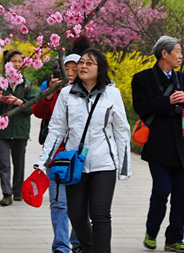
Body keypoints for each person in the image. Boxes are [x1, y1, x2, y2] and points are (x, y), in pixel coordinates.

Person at [37, 48, 131, 253]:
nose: (83, 66)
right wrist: (43, 161)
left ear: (100, 68)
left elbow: (122, 130)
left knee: (100, 215)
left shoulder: (112, 94)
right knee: (76, 215)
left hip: (103, 164)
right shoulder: (66, 94)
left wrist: (124, 167)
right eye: (82, 62)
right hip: (74, 165)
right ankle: (89, 247)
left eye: (89, 63)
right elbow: (56, 129)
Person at [131, 35, 184, 252]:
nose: (181, 55)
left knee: (182, 196)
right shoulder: (142, 79)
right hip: (159, 146)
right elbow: (141, 107)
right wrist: (167, 101)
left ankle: (174, 238)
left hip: (183, 145)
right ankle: (151, 232)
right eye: (177, 51)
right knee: (162, 190)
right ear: (164, 54)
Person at [33, 52, 83, 253]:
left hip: (80, 155)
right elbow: (39, 112)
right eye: (66, 68)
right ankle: (61, 246)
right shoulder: (55, 88)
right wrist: (52, 92)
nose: (70, 73)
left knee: (82, 205)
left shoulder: (89, 90)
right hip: (57, 154)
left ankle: (78, 241)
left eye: (74, 68)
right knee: (59, 202)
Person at [0, 50, 37, 206]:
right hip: (1, 131)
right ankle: (6, 193)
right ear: (7, 64)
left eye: (20, 61)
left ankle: (17, 191)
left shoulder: (27, 85)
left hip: (20, 131)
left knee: (19, 163)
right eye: (13, 61)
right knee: (4, 163)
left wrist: (19, 103)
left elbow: (32, 108)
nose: (17, 64)